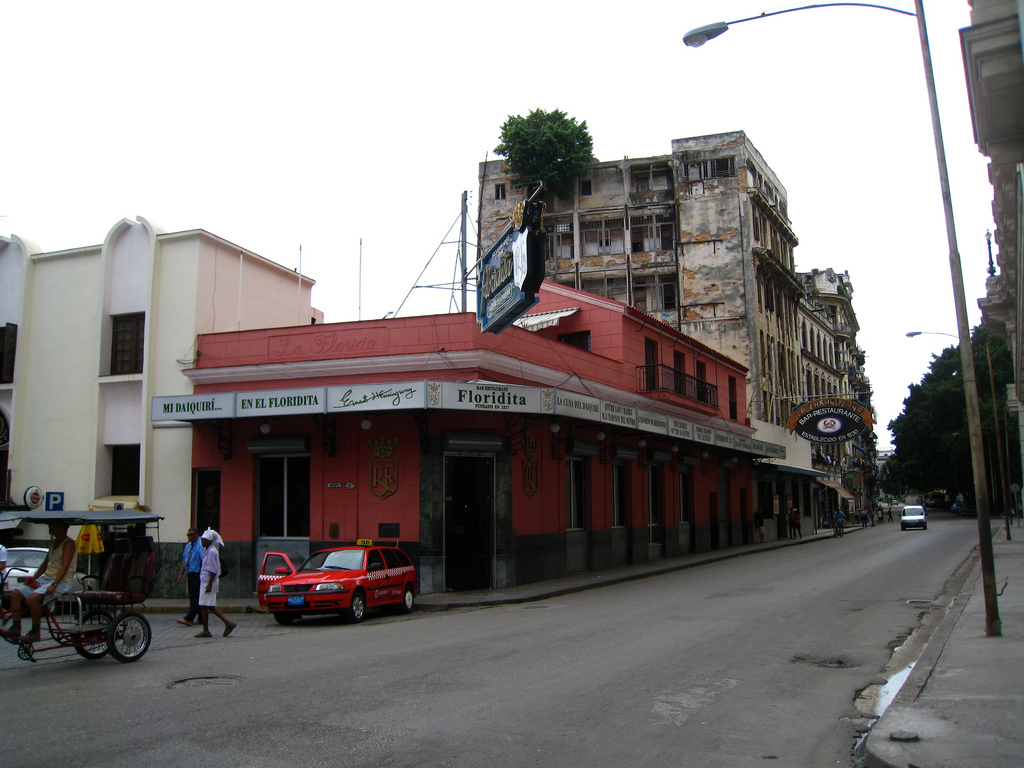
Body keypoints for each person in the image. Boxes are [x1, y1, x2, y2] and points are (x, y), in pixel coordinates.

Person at [8, 520, 77, 642]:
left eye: (52, 524)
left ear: (61, 527)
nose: (50, 527)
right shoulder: (53, 543)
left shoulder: (68, 544)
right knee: (15, 594)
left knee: (34, 598)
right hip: (46, 578)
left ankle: (35, 631)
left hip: (61, 581)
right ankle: (16, 626)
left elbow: (65, 566)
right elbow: (45, 564)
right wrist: (33, 578)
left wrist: (54, 584)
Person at [195, 528, 236, 639]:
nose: (202, 542)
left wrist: (209, 584)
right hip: (206, 581)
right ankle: (220, 625)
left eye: (204, 540)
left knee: (206, 606)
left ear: (209, 541)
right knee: (207, 606)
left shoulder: (212, 552)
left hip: (209, 581)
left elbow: (213, 570)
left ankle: (212, 628)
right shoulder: (208, 550)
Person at [176, 527, 204, 626]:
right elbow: (185, 560)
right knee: (193, 596)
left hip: (197, 574)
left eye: (191, 535)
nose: (189, 537)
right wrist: (181, 573)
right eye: (188, 535)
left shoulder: (200, 545)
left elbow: (203, 560)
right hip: (190, 573)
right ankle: (201, 618)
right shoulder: (188, 546)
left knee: (195, 597)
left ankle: (189, 618)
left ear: (197, 535)